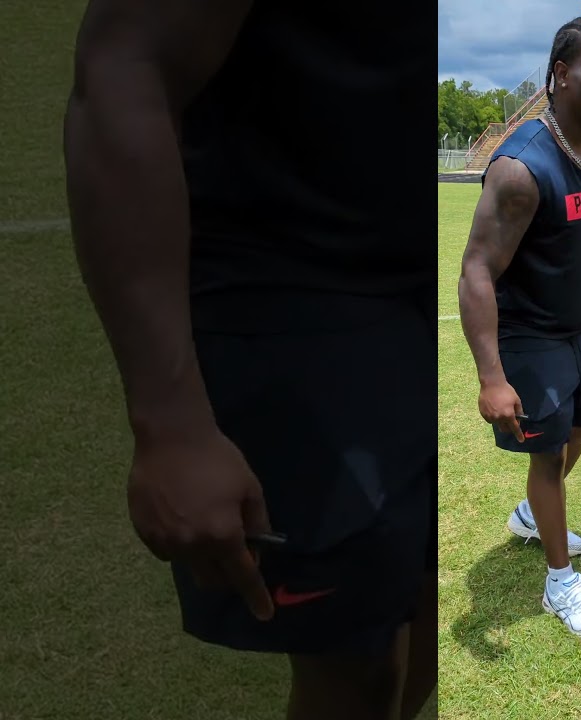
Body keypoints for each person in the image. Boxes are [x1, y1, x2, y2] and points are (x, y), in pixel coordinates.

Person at [63, 2, 434, 719]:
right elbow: (125, 64)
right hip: (294, 287)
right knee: (354, 662)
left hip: (420, 280)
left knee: (421, 613)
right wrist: (170, 425)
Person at [456, 17, 581, 642]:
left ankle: (533, 514)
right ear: (559, 75)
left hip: (577, 325)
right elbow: (476, 271)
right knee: (549, 453)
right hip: (526, 333)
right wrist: (491, 377)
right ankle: (561, 582)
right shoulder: (520, 169)